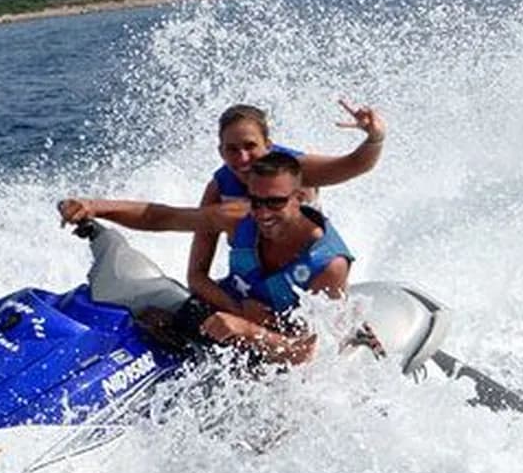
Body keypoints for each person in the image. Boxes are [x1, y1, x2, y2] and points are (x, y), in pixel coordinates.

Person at [59, 151, 353, 365]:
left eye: (275, 202)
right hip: (215, 317)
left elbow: (305, 353)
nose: (263, 212)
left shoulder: (328, 265)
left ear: (299, 198)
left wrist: (248, 330)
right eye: (256, 201)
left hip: (272, 359)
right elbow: (164, 217)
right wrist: (93, 207)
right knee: (136, 308)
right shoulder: (240, 217)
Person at [189, 100, 383, 315]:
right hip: (253, 290)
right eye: (232, 149)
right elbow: (196, 275)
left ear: (268, 145)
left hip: (305, 285)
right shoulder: (218, 189)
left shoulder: (295, 172)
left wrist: (374, 138)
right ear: (221, 151)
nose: (243, 158)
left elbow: (355, 164)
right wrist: (238, 310)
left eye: (250, 146)